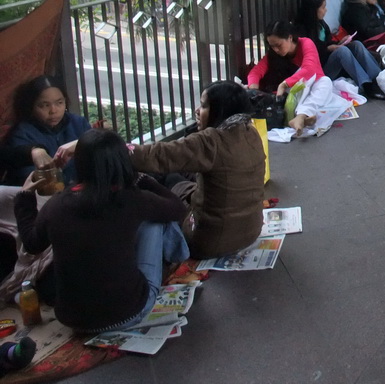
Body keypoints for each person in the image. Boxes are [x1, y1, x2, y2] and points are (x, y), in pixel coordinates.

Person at [15, 129, 189, 333]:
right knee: (156, 221)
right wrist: (139, 178)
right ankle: (182, 260)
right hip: (129, 312)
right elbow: (177, 209)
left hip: (72, 321)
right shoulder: (132, 199)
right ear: (122, 161)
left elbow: (32, 244)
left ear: (79, 164)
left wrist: (24, 198)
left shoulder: (56, 204)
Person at [129, 81, 266, 259]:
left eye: (203, 105)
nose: (197, 110)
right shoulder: (250, 131)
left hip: (209, 241)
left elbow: (158, 155)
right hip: (250, 233)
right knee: (183, 177)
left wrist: (114, 150)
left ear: (220, 110)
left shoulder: (210, 141)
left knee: (168, 181)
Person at [246, 21, 353, 131]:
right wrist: (254, 89)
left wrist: (285, 83)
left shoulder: (306, 43)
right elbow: (255, 72)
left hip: (310, 88)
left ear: (290, 38)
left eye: (278, 45)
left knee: (325, 82)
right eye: (272, 46)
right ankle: (300, 116)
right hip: (289, 96)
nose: (275, 50)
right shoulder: (273, 56)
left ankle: (301, 116)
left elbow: (310, 69)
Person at [295, 0, 382, 93]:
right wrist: (328, 49)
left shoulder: (321, 24)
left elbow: (328, 42)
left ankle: (379, 78)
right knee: (342, 52)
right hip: (320, 71)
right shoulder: (302, 29)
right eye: (323, 7)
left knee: (356, 45)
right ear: (313, 10)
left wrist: (340, 42)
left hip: (329, 58)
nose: (325, 10)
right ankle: (366, 84)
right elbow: (310, 52)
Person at [8, 77, 91, 185]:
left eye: (59, 103)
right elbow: (30, 178)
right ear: (31, 106)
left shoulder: (78, 123)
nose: (53, 111)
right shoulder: (23, 133)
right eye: (44, 105)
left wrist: (81, 144)